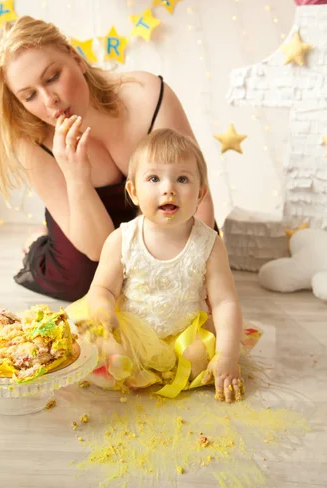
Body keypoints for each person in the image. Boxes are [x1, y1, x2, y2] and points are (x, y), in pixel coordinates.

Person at [0, 16, 215, 302]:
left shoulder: (146, 96)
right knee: (81, 280)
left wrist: (191, 274)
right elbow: (97, 250)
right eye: (30, 95)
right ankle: (37, 241)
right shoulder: (32, 141)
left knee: (196, 257)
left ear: (76, 58)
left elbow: (197, 197)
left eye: (53, 77)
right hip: (90, 226)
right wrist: (76, 176)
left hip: (164, 213)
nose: (49, 101)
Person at [67, 129, 261, 402]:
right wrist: (103, 312)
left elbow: (224, 302)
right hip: (134, 329)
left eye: (182, 179)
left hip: (184, 329)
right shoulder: (122, 239)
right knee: (103, 347)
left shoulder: (209, 245)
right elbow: (102, 289)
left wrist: (226, 355)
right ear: (133, 192)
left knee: (199, 355)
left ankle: (170, 369)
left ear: (200, 193)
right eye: (154, 178)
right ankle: (129, 365)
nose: (168, 188)